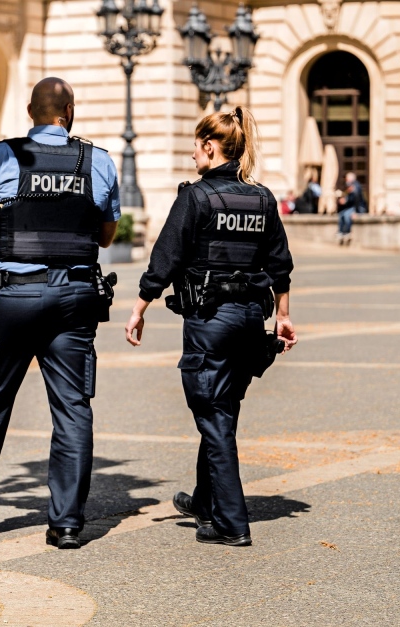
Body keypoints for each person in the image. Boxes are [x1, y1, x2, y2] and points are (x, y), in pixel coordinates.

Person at [0, 77, 120, 550]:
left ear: (29, 111)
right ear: (69, 111)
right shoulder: (96, 161)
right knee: (73, 410)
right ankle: (66, 524)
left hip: (14, 298)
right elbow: (106, 236)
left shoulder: (3, 156)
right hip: (75, 298)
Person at [124, 106, 296, 547]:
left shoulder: (195, 198)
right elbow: (280, 265)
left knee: (213, 416)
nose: (191, 157)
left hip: (209, 321)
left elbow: (165, 258)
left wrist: (139, 307)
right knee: (224, 410)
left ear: (209, 146)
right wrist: (284, 315)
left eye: (194, 148)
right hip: (248, 320)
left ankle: (232, 524)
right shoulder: (262, 198)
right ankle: (205, 500)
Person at [337, 172, 363, 245]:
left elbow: (357, 200)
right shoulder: (350, 186)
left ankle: (347, 233)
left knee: (346, 215)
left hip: (358, 208)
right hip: (352, 207)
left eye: (347, 178)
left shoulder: (356, 186)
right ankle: (341, 232)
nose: (346, 180)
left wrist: (356, 212)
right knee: (341, 214)